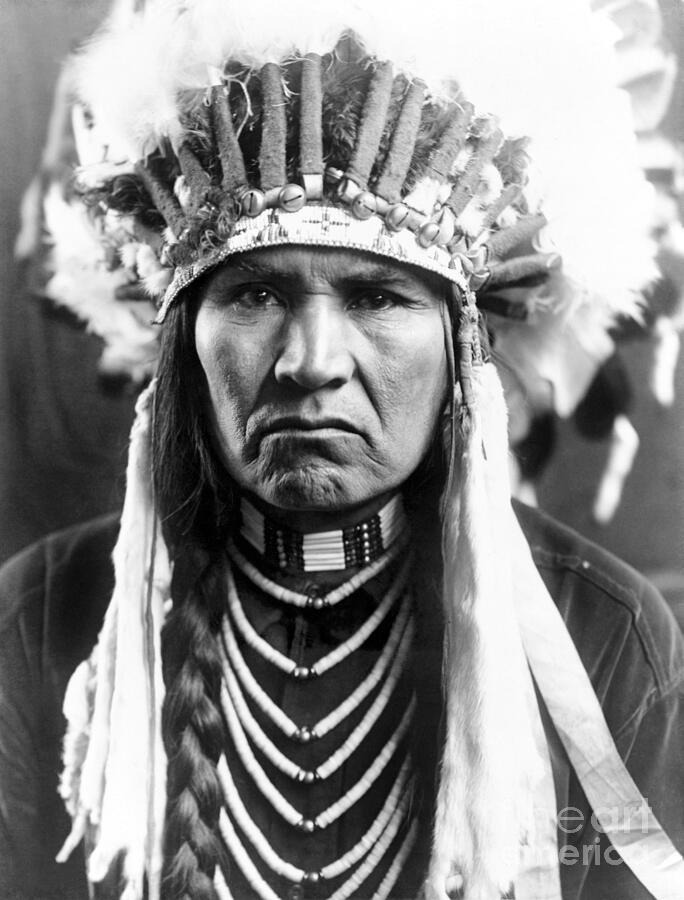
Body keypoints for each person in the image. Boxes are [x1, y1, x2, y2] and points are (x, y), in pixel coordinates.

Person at [0, 1, 683, 899]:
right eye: (253, 296)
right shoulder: (39, 617)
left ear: (462, 352)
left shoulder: (603, 628)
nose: (311, 362)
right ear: (181, 348)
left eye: (377, 299)